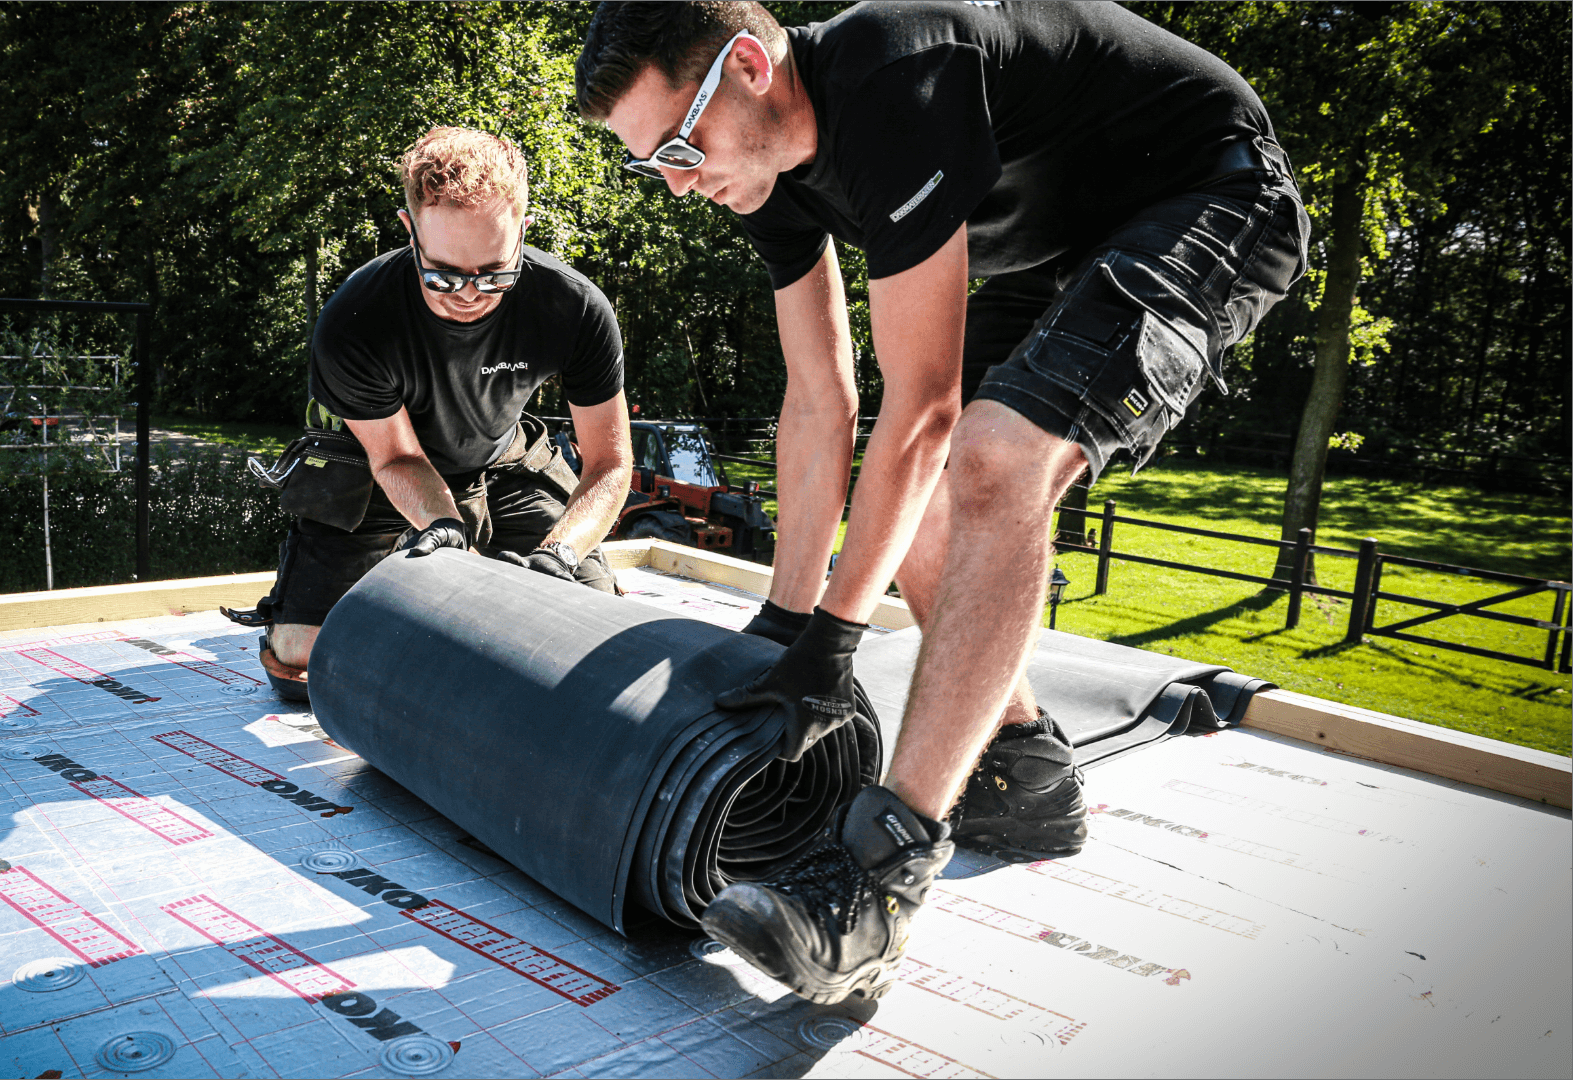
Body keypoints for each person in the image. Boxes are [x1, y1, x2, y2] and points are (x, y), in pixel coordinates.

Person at [576, 1, 1306, 1003]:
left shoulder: (894, 75)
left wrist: (834, 641)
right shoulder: (763, 171)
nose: (682, 178)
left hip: (1204, 195)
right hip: (1052, 252)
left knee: (994, 461)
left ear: (748, 65)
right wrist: (787, 626)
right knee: (923, 508)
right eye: (653, 163)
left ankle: (879, 881)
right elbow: (819, 400)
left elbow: (918, 410)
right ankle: (1022, 769)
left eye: (679, 143)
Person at [225, 127, 634, 701]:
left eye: (496, 274)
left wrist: (562, 551)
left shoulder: (573, 306)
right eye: (443, 275)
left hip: (503, 459)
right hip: (376, 470)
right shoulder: (357, 319)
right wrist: (445, 531)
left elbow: (611, 464)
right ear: (410, 228)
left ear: (523, 228)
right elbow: (396, 455)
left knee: (590, 626)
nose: (469, 294)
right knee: (302, 661)